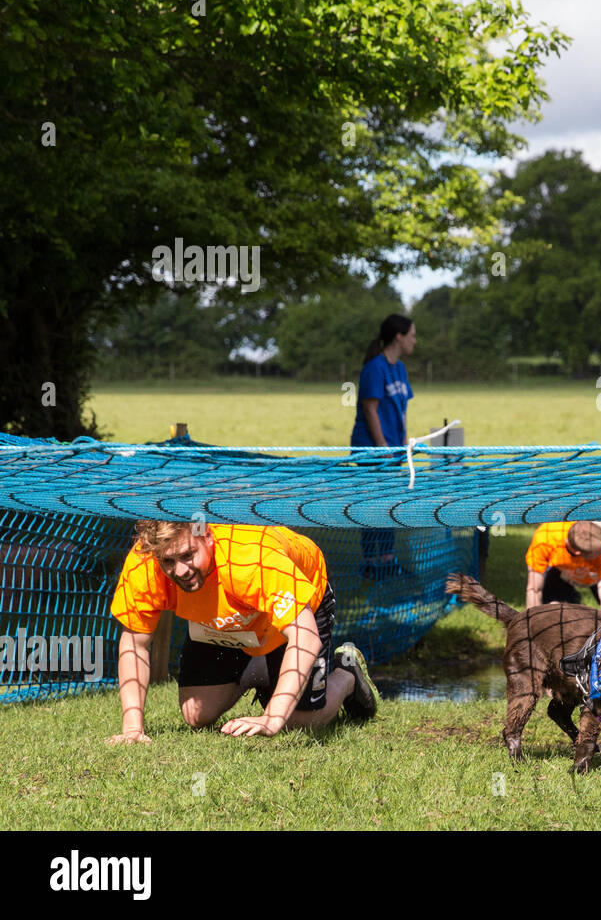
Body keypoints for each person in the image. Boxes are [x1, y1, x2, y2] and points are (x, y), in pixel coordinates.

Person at [107, 521, 379, 744]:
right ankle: (262, 668)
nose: (179, 571)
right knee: (195, 714)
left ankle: (347, 675)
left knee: (298, 722)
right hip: (223, 620)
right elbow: (135, 643)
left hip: (291, 614)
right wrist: (133, 728)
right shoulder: (144, 562)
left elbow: (305, 637)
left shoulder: (252, 559)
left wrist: (273, 716)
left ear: (208, 537)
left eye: (188, 555)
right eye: (168, 561)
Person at [350, 314, 417, 579]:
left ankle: (387, 561)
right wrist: (382, 447)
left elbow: (402, 408)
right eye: (412, 335)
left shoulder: (399, 368)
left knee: (389, 504)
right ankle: (371, 563)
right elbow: (370, 409)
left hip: (394, 450)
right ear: (398, 337)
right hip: (372, 449)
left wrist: (404, 441)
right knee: (371, 505)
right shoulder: (374, 368)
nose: (415, 340)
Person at [524, 521, 601, 614]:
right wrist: (531, 622)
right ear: (576, 552)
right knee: (556, 609)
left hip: (596, 573)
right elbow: (534, 589)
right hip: (561, 569)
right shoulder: (544, 540)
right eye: (598, 553)